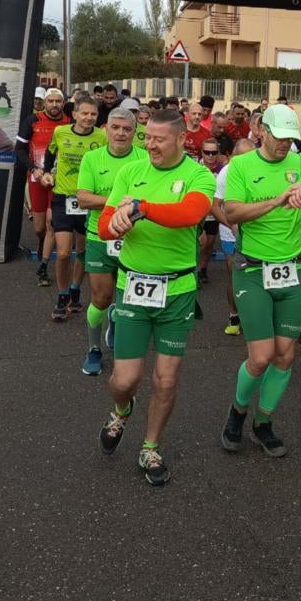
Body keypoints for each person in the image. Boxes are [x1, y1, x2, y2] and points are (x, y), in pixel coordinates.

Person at [94, 109, 216, 486]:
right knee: (124, 379)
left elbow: (191, 213)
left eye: (158, 139)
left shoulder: (198, 175)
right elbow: (103, 225)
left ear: (181, 139)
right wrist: (114, 222)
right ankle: (121, 409)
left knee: (165, 380)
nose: (149, 145)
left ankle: (150, 447)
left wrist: (142, 209)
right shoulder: (131, 172)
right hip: (133, 286)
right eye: (147, 138)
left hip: (177, 292)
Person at [219, 105, 301, 457]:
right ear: (262, 132)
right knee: (260, 356)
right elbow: (232, 212)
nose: (285, 145)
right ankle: (237, 412)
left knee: (286, 356)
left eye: (291, 139)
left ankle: (264, 422)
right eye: (279, 138)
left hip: (290, 268)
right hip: (253, 269)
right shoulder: (241, 166)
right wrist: (276, 201)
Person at [75, 107, 146, 376]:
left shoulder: (143, 158)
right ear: (106, 129)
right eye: (115, 127)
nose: (120, 133)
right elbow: (84, 198)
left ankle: (117, 322)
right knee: (102, 297)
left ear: (134, 133)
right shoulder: (92, 158)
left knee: (128, 298)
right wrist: (121, 201)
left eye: (127, 129)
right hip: (100, 236)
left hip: (135, 236)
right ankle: (93, 349)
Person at [40, 95, 107, 321]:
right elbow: (49, 155)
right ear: (75, 114)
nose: (89, 118)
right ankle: (62, 295)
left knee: (83, 252)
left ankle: (76, 288)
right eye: (85, 113)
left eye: (93, 114)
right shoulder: (60, 133)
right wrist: (47, 173)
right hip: (63, 198)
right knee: (64, 252)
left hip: (89, 201)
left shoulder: (102, 137)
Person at [16, 89, 72, 287]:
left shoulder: (69, 122)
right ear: (45, 102)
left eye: (58, 101)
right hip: (37, 178)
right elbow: (19, 149)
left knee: (52, 224)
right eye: (51, 101)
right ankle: (42, 244)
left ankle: (44, 265)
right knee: (40, 227)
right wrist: (33, 169)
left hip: (60, 181)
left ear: (63, 103)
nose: (55, 105)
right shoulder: (32, 120)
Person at [214, 139, 255, 336]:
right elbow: (214, 206)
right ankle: (233, 315)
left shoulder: (259, 169)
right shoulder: (226, 172)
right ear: (233, 157)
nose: (246, 162)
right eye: (241, 158)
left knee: (254, 275)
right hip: (231, 233)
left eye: (250, 157)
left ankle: (253, 315)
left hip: (255, 232)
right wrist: (231, 224)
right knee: (234, 275)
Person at [197, 138, 224, 282]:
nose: (210, 156)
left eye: (214, 153)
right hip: (199, 214)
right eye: (207, 152)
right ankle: (193, 271)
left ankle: (203, 269)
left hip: (214, 214)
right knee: (201, 243)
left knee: (209, 244)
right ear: (202, 153)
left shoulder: (222, 170)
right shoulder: (195, 168)